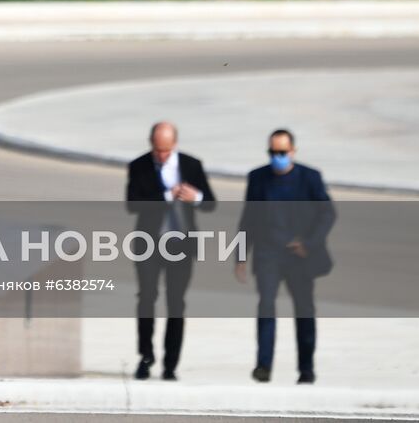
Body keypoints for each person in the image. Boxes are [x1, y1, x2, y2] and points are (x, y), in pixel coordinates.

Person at [234, 128, 335, 385]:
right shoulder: (258, 178)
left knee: (304, 310)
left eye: (282, 152)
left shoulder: (310, 178)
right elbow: (248, 218)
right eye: (272, 152)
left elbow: (327, 214)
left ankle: (306, 369)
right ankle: (263, 366)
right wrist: (240, 256)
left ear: (293, 151)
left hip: (299, 256)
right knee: (266, 306)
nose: (277, 157)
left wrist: (309, 244)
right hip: (268, 255)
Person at [125, 121, 216, 381]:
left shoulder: (191, 165)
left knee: (176, 303)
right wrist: (166, 196)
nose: (161, 155)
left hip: (181, 246)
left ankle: (170, 364)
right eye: (157, 149)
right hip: (149, 244)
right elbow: (133, 204)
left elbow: (210, 203)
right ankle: (145, 356)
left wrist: (194, 197)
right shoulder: (139, 166)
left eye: (166, 150)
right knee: (146, 298)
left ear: (174, 144)